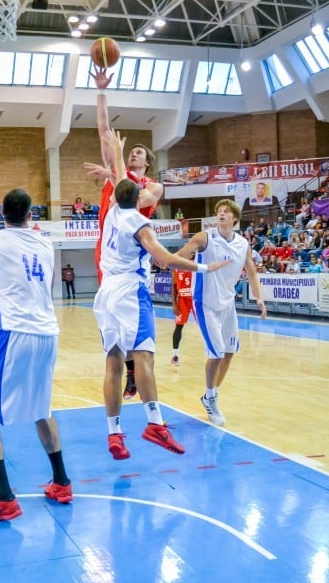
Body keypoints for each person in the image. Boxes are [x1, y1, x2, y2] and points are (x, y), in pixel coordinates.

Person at [94, 133, 229, 460]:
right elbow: (163, 260)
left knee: (113, 365)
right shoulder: (140, 224)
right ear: (139, 196)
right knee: (144, 358)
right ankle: (154, 423)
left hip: (106, 294)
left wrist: (118, 152)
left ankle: (114, 433)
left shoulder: (112, 213)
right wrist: (202, 267)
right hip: (130, 292)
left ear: (115, 196)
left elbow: (121, 182)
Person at [0, 188, 72, 521]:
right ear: (31, 215)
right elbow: (48, 285)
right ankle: (62, 483)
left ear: (1, 213)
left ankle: (5, 498)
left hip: (14, 334)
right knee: (41, 407)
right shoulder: (45, 242)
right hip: (48, 333)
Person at [85, 65, 164, 403]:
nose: (133, 154)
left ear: (147, 163)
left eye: (139, 154)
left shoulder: (154, 186)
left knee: (133, 319)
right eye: (131, 152)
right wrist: (101, 91)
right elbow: (104, 130)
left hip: (134, 257)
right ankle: (129, 372)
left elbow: (130, 197)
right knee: (114, 322)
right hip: (107, 252)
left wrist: (114, 171)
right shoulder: (114, 172)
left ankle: (136, 373)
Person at [176, 199, 267, 427]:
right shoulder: (205, 238)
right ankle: (211, 398)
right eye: (219, 212)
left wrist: (259, 298)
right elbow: (180, 257)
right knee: (215, 354)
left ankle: (210, 395)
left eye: (226, 212)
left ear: (235, 219)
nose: (222, 215)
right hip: (205, 303)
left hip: (227, 305)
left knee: (229, 352)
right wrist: (178, 259)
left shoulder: (242, 243)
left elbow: (252, 271)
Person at [170, 268, 193, 366]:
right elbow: (174, 286)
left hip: (195, 298)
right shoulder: (176, 268)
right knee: (179, 326)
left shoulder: (197, 262)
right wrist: (174, 304)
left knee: (207, 325)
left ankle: (212, 353)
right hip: (182, 300)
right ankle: (175, 355)